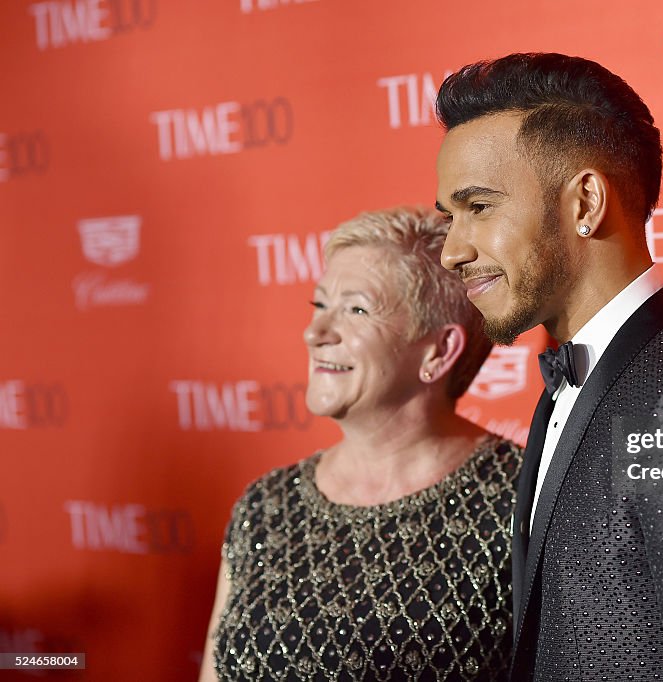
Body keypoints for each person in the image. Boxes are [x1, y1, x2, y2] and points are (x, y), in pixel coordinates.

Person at [434, 53, 663, 680]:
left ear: (585, 202)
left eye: (479, 207)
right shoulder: (579, 376)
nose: (452, 250)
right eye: (450, 215)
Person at [198, 207, 522, 680]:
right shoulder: (266, 507)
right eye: (319, 305)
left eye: (355, 309)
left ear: (439, 350)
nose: (315, 334)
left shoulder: (522, 501)